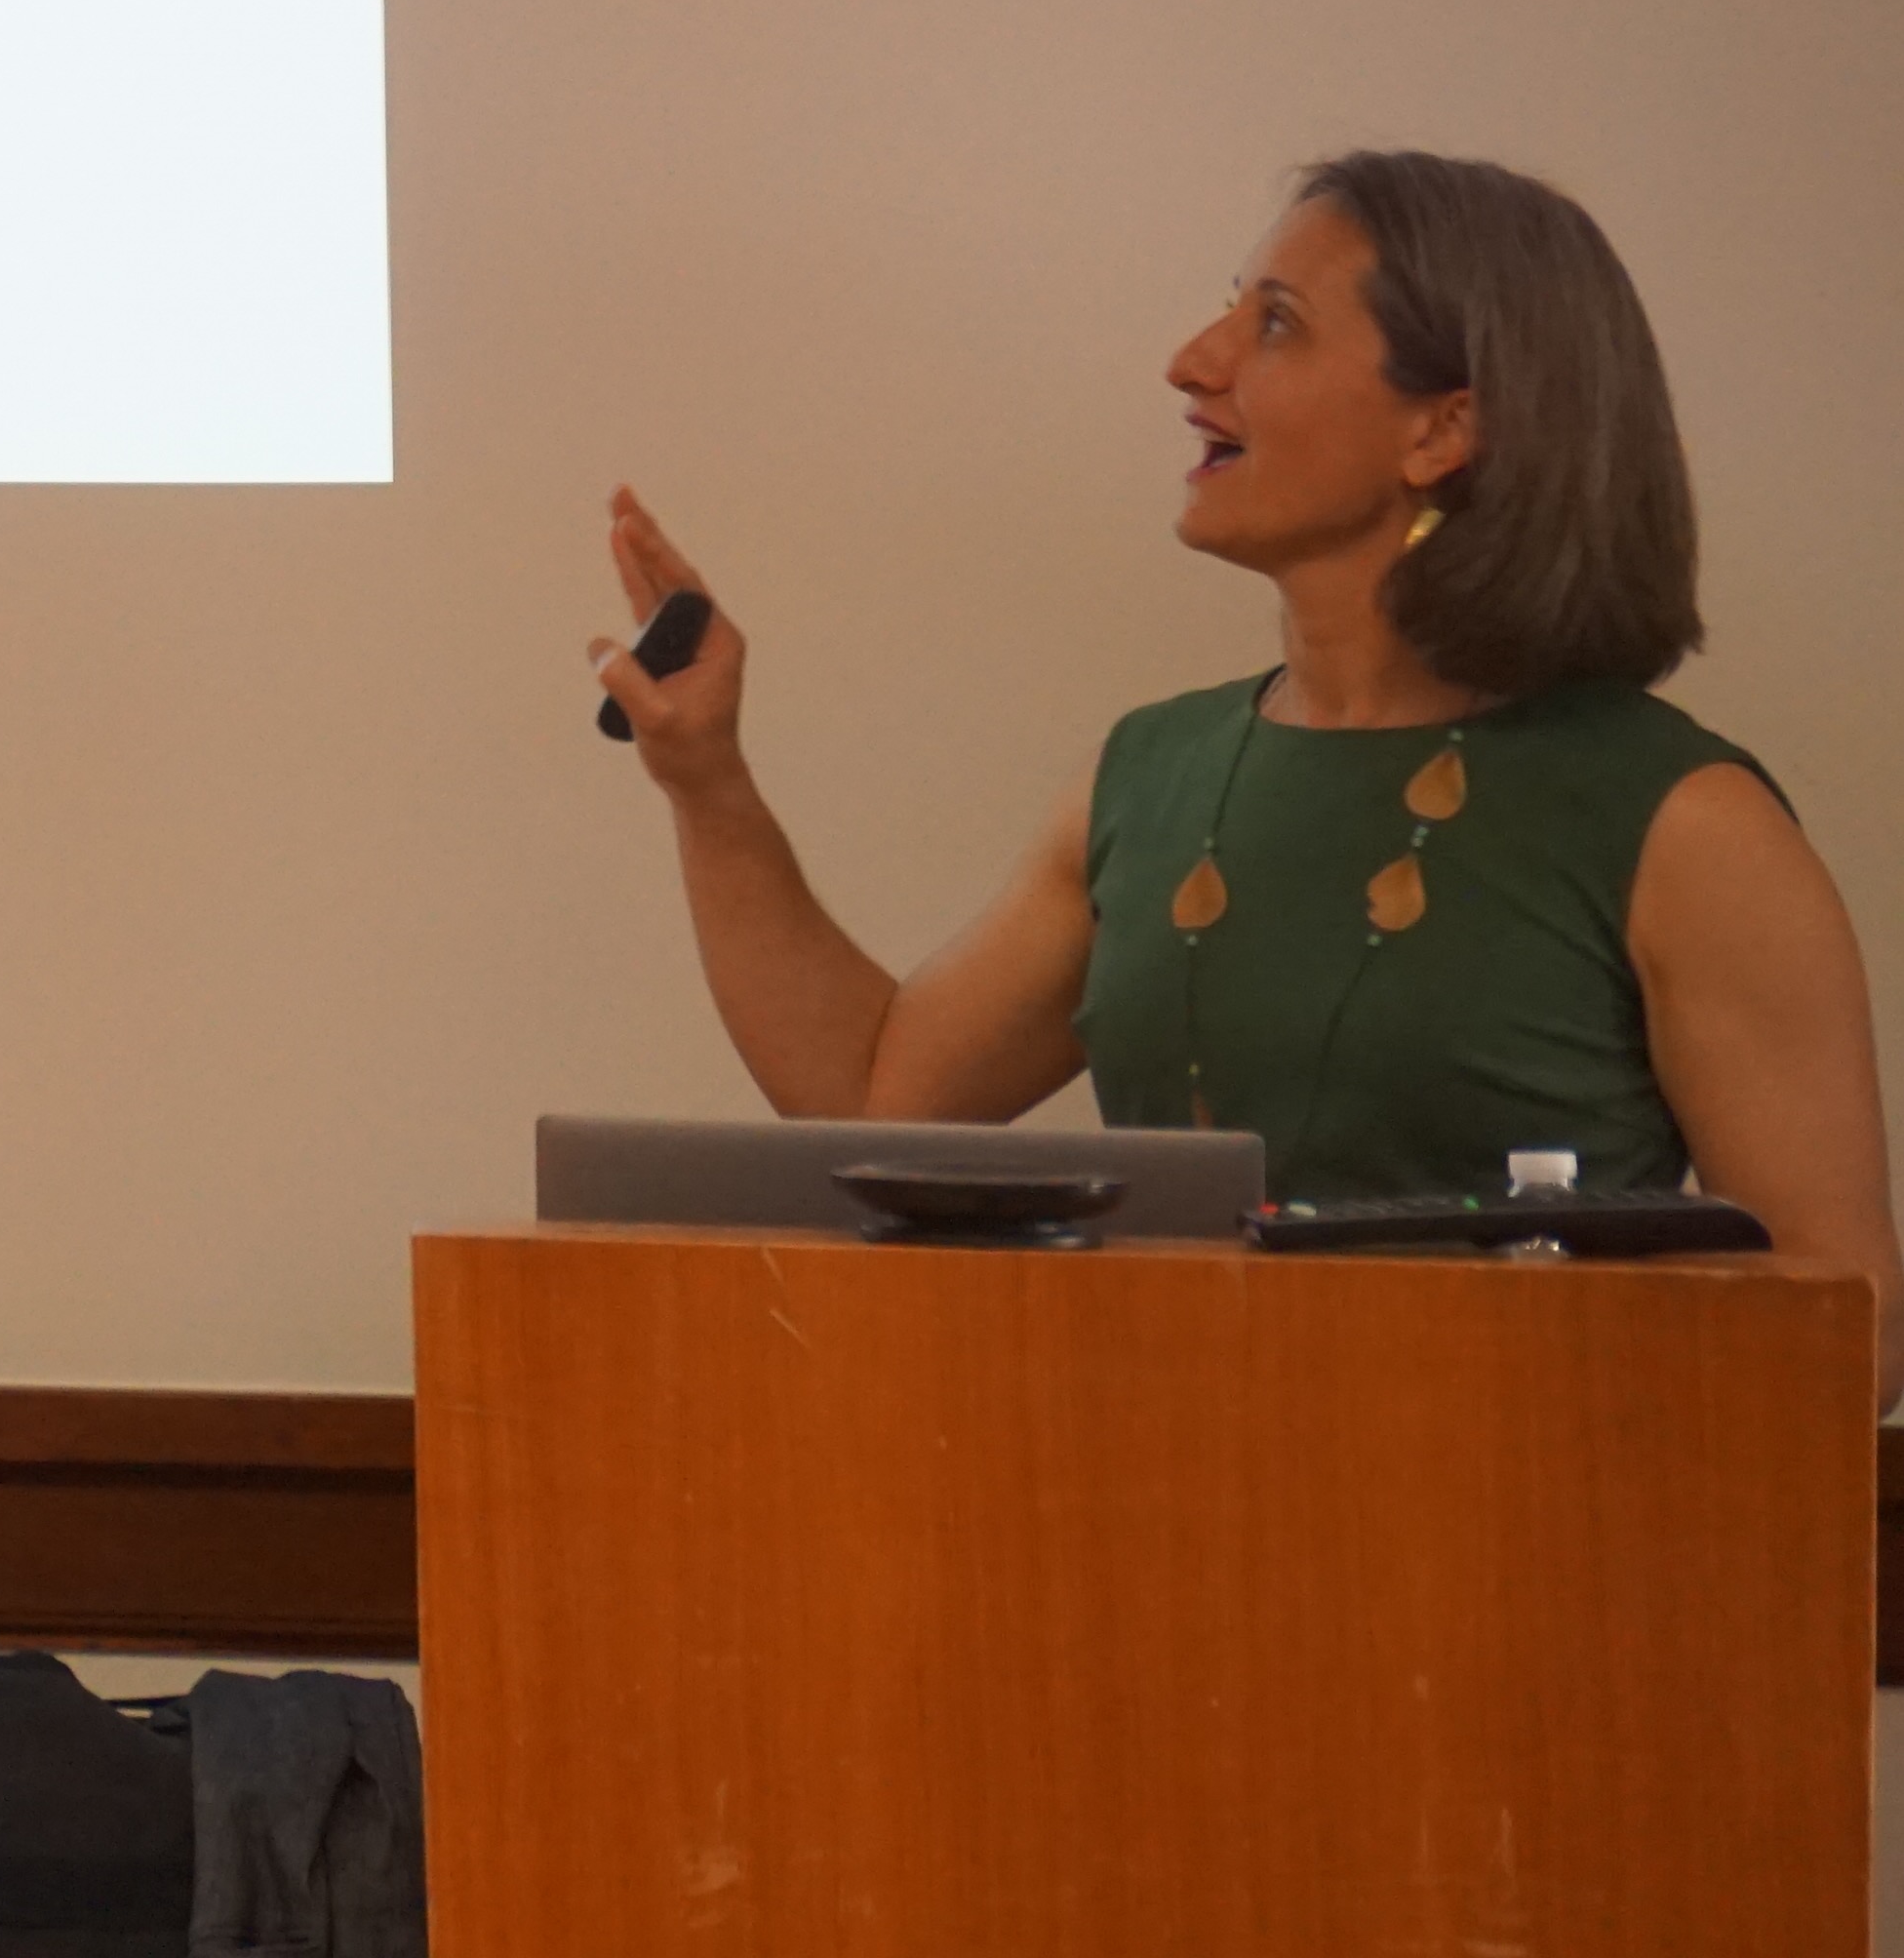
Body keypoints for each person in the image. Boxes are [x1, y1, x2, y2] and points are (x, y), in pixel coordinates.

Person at [595, 148, 1901, 1409]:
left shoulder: (1684, 825)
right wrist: (705, 781)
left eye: (1273, 323)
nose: (1193, 361)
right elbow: (871, 1097)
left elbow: (1851, 1325)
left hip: (1502, 1532)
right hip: (1149, 1502)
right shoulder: (1147, 774)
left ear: (1443, 427)